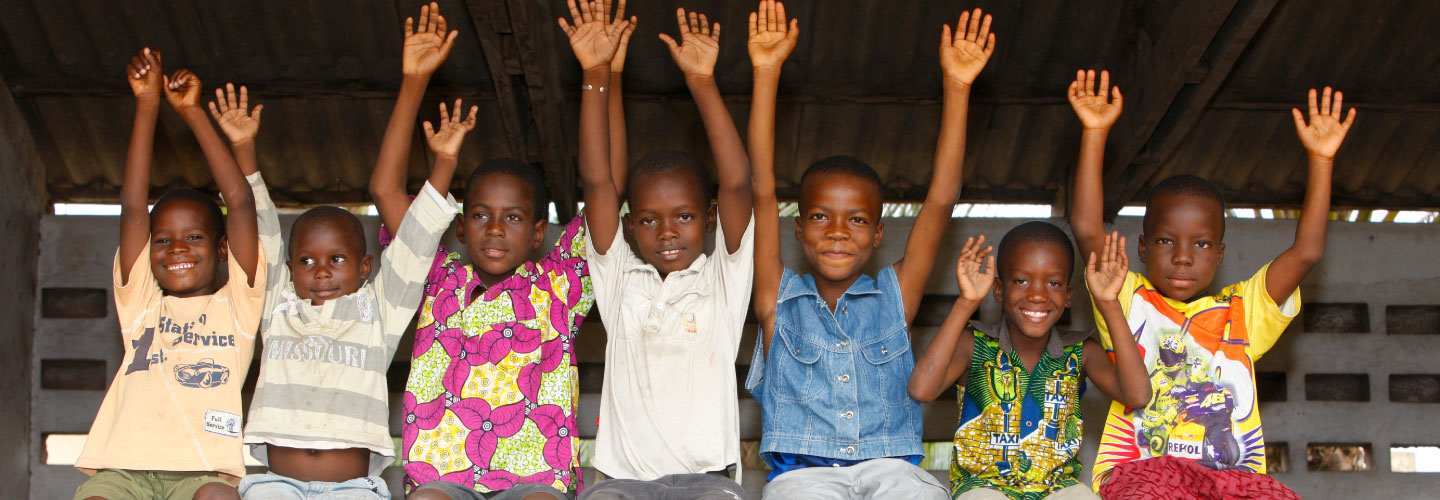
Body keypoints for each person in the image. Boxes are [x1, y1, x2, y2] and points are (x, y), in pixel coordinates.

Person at [743, 5, 995, 499]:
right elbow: (760, 190)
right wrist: (766, 73)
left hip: (891, 471)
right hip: (803, 477)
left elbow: (941, 201)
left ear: (879, 234)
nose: (838, 232)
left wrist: (958, 87)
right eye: (820, 217)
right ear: (797, 229)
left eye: (857, 220)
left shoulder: (893, 298)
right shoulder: (779, 299)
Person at [1067, 69, 1355, 499]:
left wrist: (1322, 160)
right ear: (1142, 248)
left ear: (1220, 255)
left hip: (1231, 480)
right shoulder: (1129, 300)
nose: (1183, 255)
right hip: (1142, 472)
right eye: (1166, 240)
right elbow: (1088, 228)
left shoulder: (1244, 311)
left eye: (1201, 243)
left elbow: (1306, 253)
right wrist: (1093, 132)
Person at [209, 11, 464, 494]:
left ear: (366, 268)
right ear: (288, 271)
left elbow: (414, 240)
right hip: (275, 486)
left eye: (337, 259)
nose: (320, 270)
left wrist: (442, 156)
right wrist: (244, 149)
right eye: (305, 260)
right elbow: (259, 224)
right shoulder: (276, 305)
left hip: (353, 490)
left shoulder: (377, 312)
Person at [366, 4, 597, 499]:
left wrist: (599, 75)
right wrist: (415, 85)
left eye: (512, 217)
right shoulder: (436, 275)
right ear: (461, 224)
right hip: (440, 479)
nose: (494, 229)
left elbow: (603, 192)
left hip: (537, 480)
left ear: (539, 233)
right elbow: (384, 189)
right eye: (479, 215)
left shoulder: (561, 285)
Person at [560, 1, 753, 497]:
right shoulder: (620, 276)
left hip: (707, 482)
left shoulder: (723, 277)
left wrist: (703, 83)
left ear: (709, 219)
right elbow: (599, 180)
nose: (667, 232)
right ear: (629, 228)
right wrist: (595, 76)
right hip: (623, 483)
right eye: (649, 220)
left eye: (684, 217)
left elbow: (736, 183)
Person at [74, 48, 264, 500]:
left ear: (222, 249)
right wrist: (146, 106)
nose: (177, 248)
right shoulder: (140, 304)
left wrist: (192, 113)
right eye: (163, 240)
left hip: (202, 476)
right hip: (124, 471)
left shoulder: (239, 306)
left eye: (194, 238)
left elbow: (239, 203)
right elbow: (133, 205)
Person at [909, 226, 1151, 499]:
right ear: (998, 289)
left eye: (1054, 283)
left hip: (1058, 487)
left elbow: (1138, 395)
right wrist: (967, 302)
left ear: (1068, 295)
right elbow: (921, 390)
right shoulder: (973, 344)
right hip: (983, 487)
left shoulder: (1082, 351)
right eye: (1021, 281)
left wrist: (1108, 303)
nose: (1037, 295)